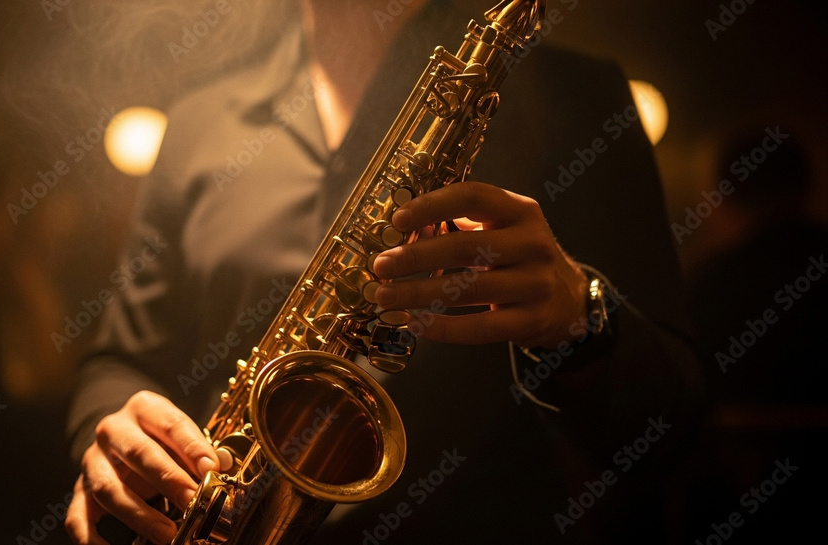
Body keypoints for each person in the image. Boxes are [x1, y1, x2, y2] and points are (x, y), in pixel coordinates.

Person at [65, 1, 702, 543]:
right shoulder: (201, 119)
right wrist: (119, 432)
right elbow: (124, 357)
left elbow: (675, 419)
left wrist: (579, 318)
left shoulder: (580, 99)